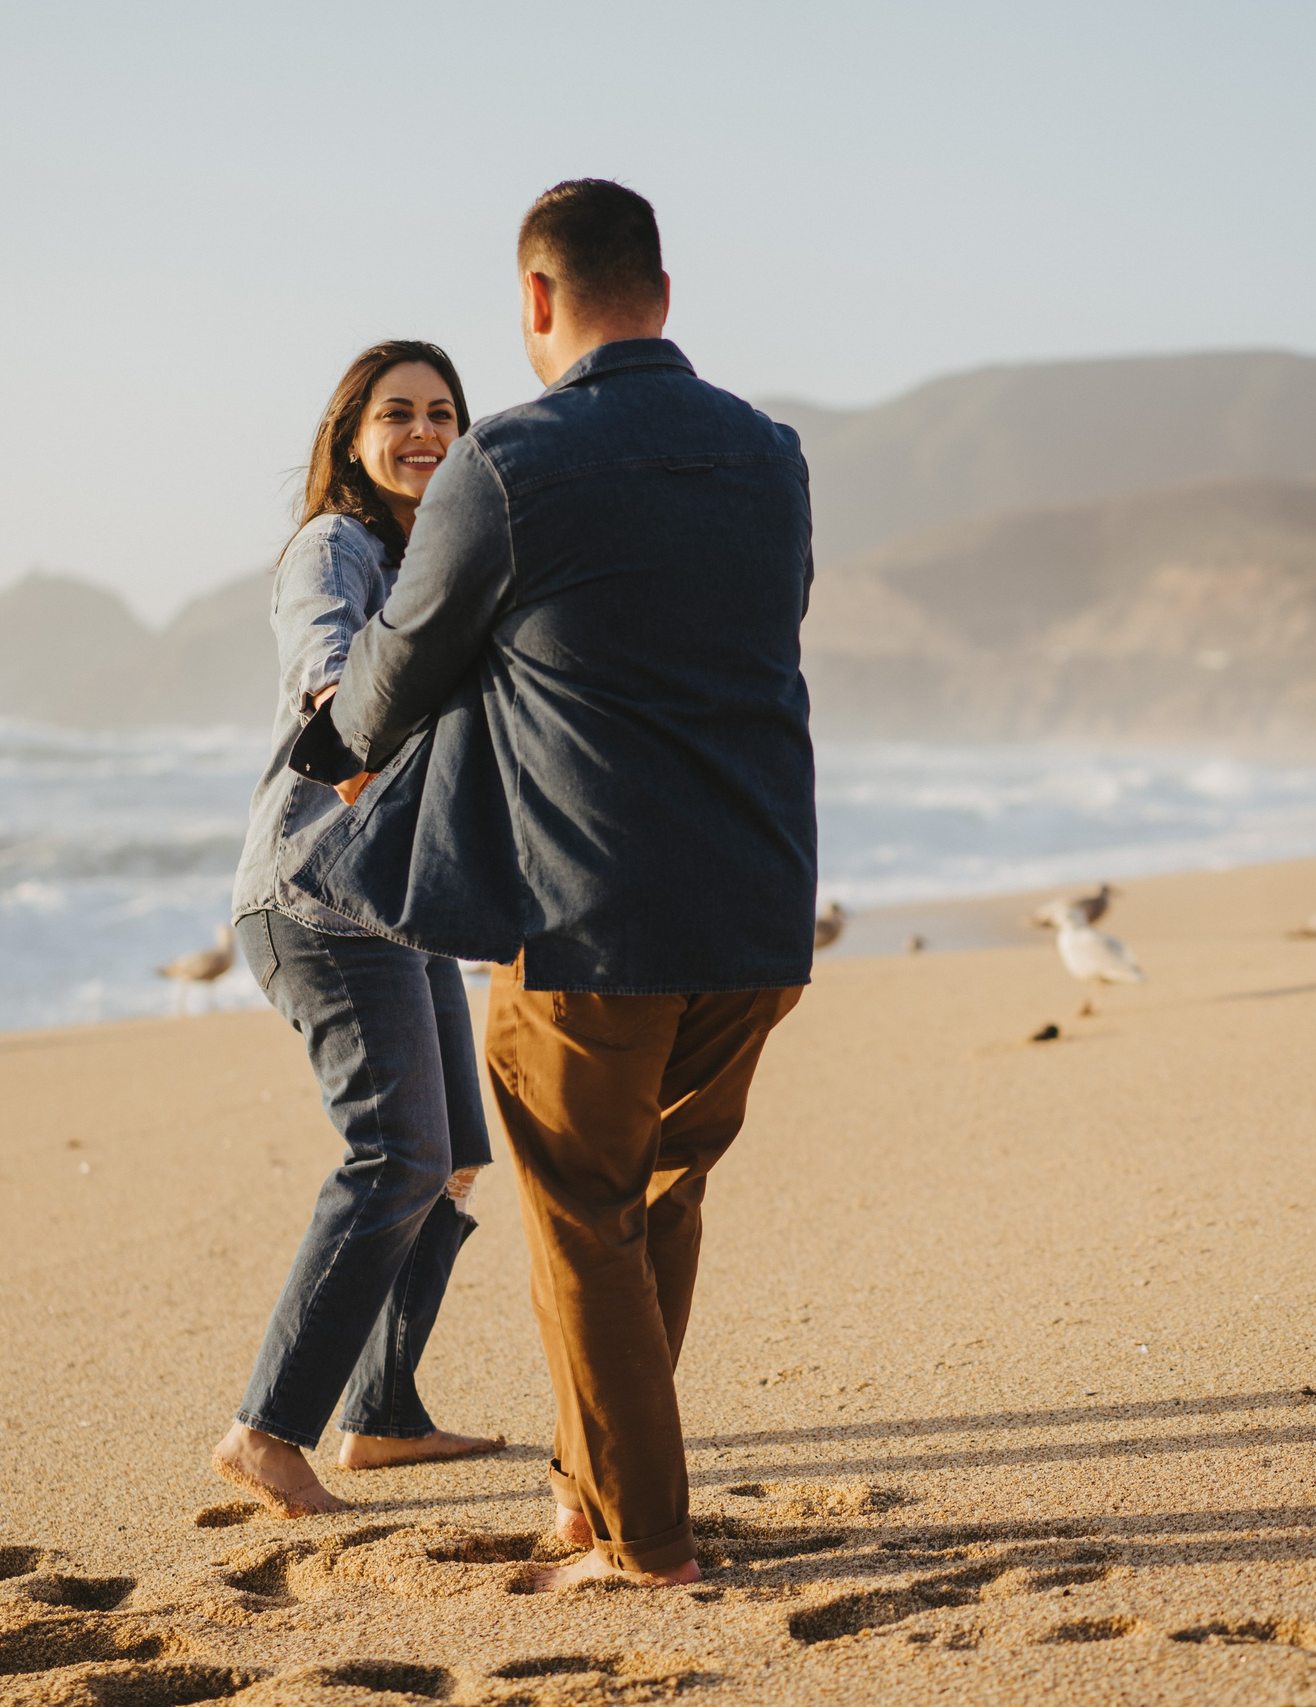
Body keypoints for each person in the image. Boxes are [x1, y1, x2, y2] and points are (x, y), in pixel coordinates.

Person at [285, 180, 818, 1589]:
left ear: (535, 297)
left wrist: (338, 729)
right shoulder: (771, 456)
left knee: (584, 1215)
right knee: (660, 1200)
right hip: (761, 903)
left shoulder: (508, 462)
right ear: (662, 291)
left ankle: (646, 1541)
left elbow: (392, 679)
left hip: (590, 915)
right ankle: (589, 1496)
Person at [210, 340, 504, 1520]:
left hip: (402, 901)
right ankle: (266, 1431)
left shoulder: (440, 559)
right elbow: (331, 677)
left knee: (453, 1157)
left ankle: (380, 1414)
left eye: (442, 413)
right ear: (352, 436)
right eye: (397, 414)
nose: (423, 432)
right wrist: (375, 747)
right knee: (397, 1155)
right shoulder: (334, 544)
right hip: (320, 893)